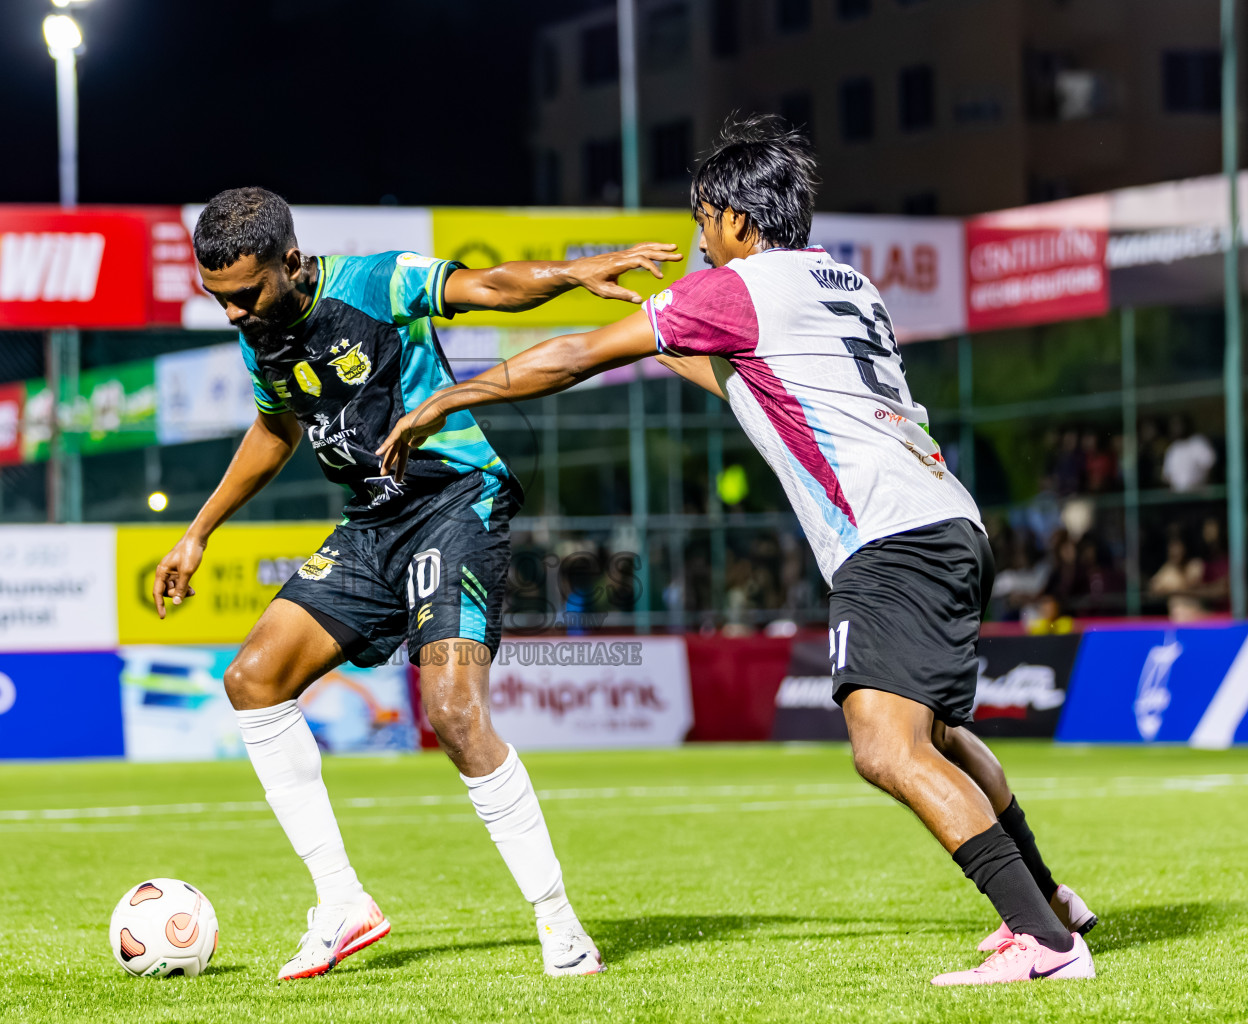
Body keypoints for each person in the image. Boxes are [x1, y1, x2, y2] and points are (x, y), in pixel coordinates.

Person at [379, 115, 1098, 987]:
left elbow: (573, 356)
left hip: (888, 537)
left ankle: (1044, 942)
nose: (698, 240)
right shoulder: (843, 282)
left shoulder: (738, 289)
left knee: (886, 747)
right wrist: (661, 331)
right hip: (947, 520)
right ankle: (1049, 899)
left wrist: (448, 399)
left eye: (703, 220)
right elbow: (745, 379)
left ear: (737, 220)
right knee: (938, 734)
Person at [152, 187, 682, 980]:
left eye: (245, 294)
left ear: (291, 262)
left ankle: (561, 926)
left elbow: (488, 285)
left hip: (454, 500)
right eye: (217, 297)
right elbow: (274, 430)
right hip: (372, 523)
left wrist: (573, 274)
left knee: (454, 712)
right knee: (253, 680)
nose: (232, 313)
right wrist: (198, 532)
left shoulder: (376, 282)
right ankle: (341, 903)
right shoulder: (260, 336)